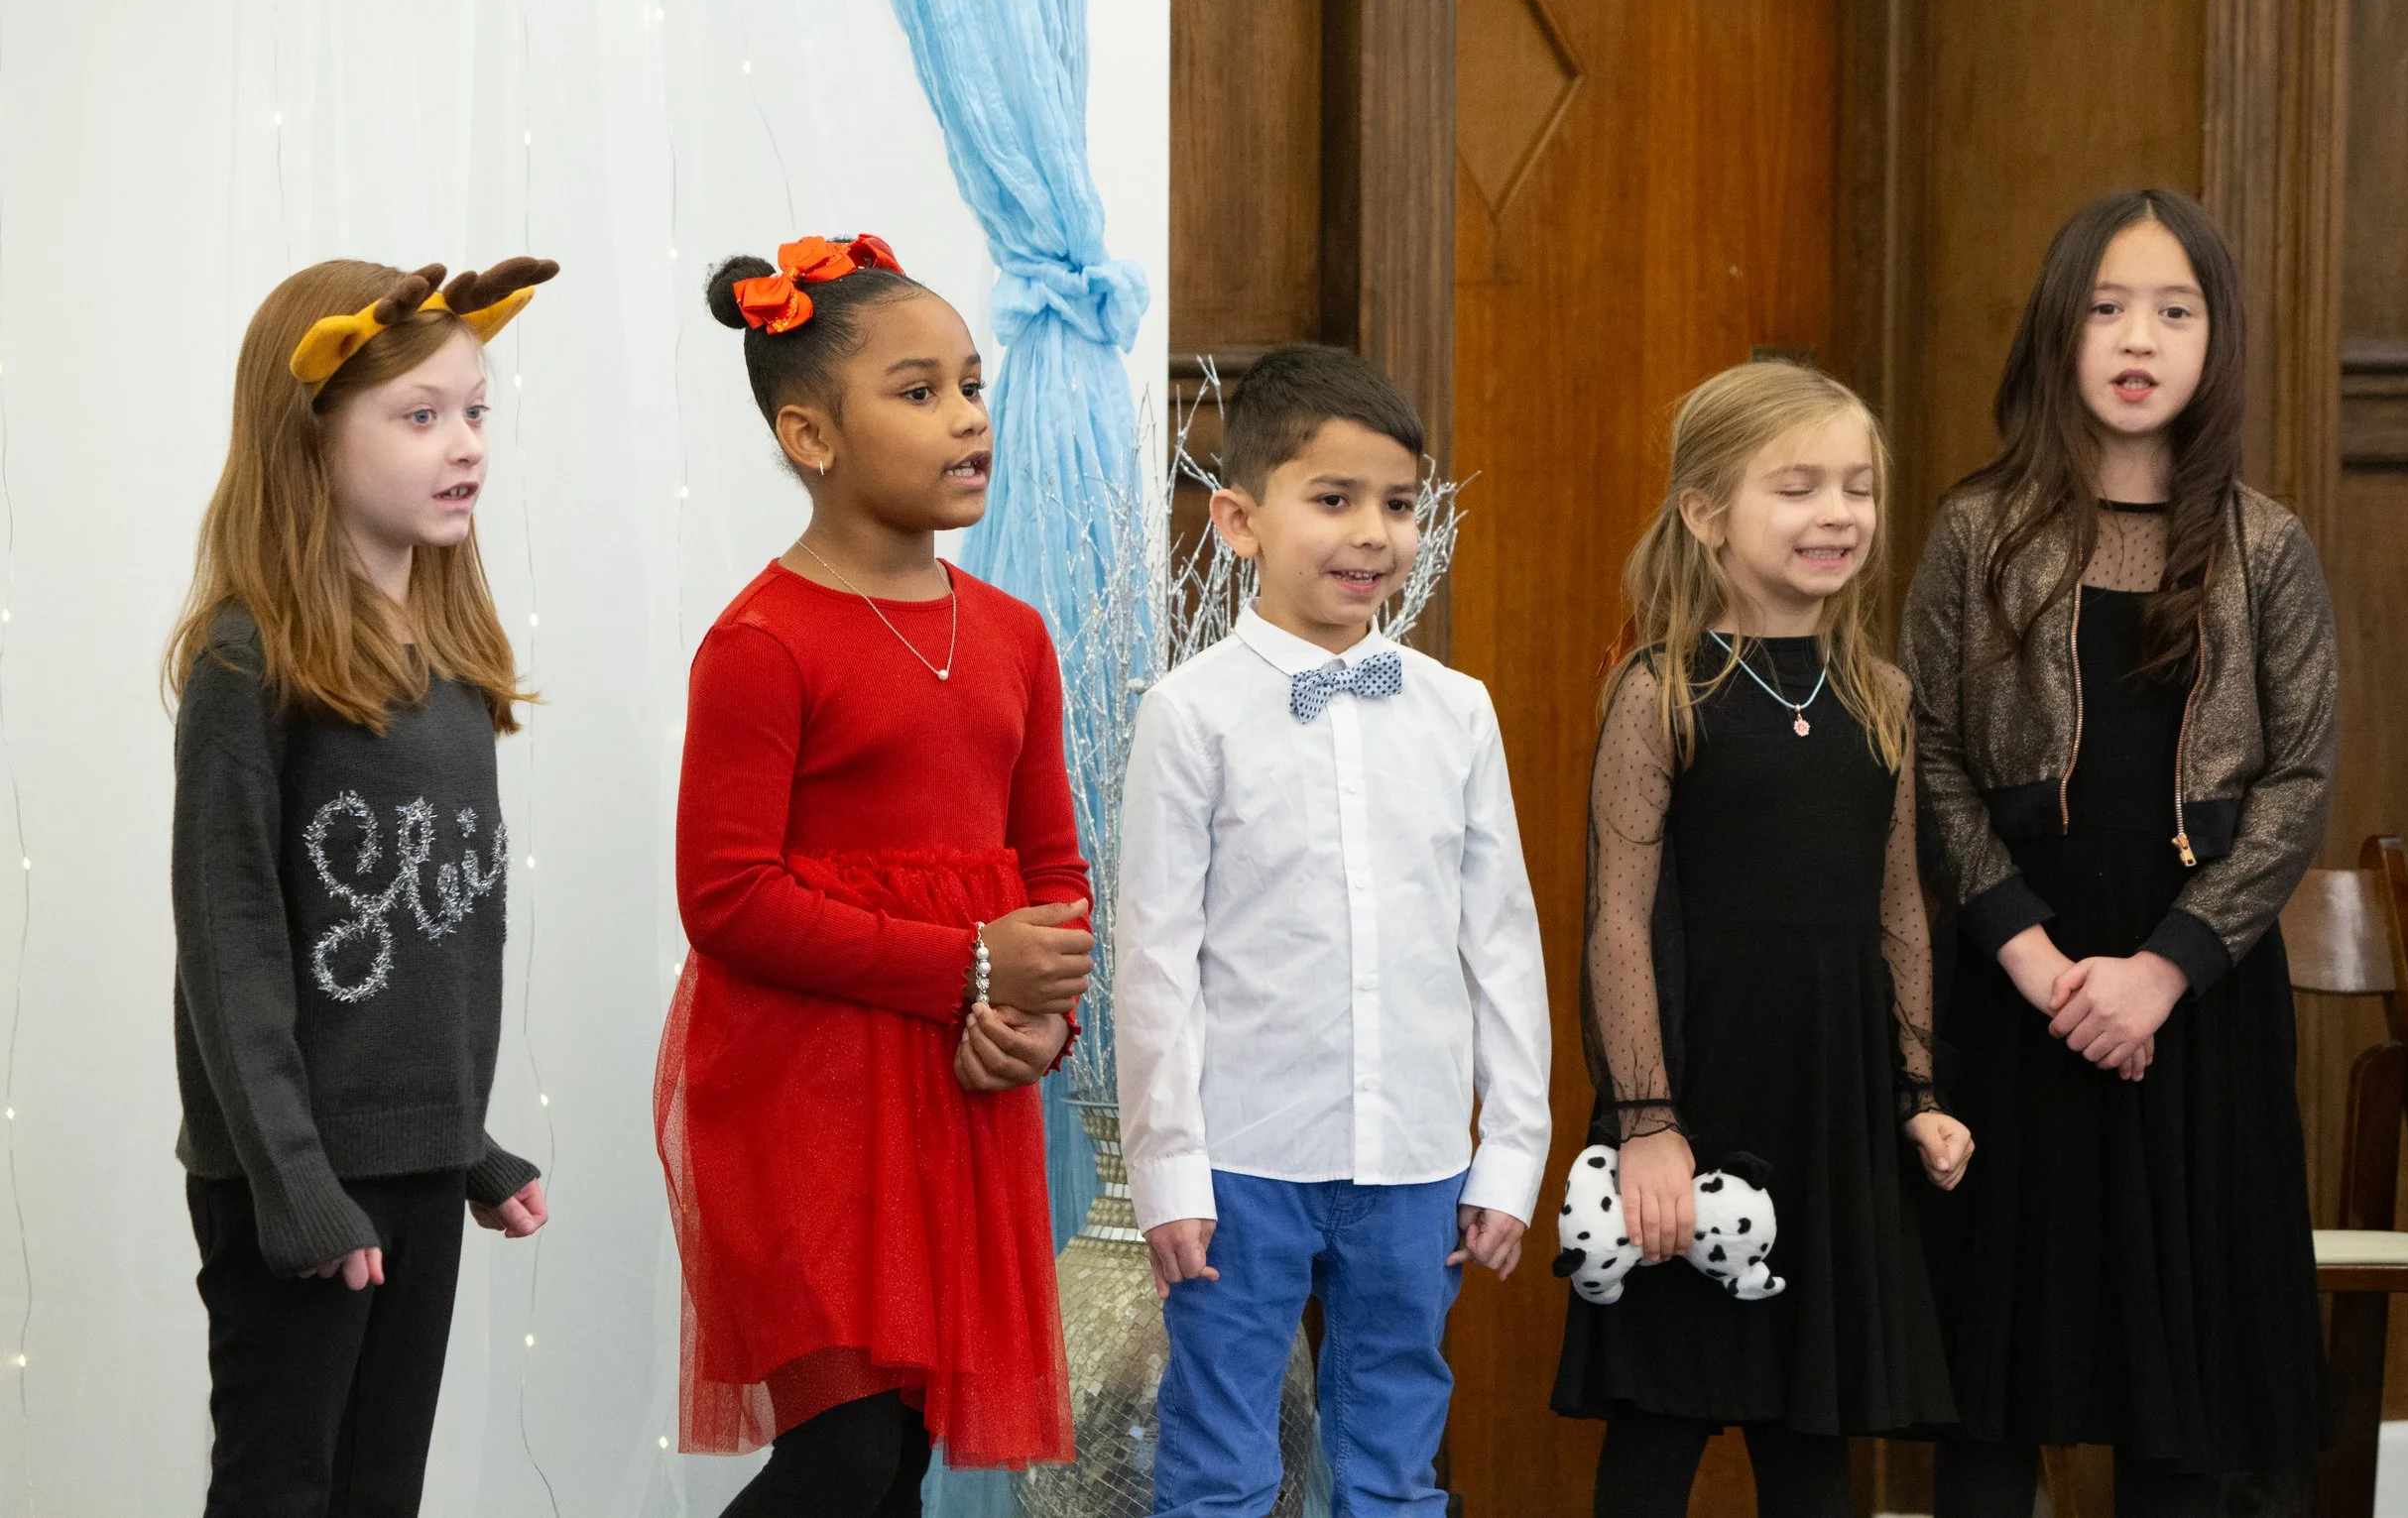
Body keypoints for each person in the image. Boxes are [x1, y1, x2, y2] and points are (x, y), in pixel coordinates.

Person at [1903, 188, 2335, 1516]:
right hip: (2016, 987)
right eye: (2104, 306)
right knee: (1995, 1383)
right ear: (2057, 329)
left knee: (2184, 1400)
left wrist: (2160, 972)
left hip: (2196, 1003)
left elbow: (2298, 779)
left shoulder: (2266, 546)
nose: (2136, 337)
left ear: (2217, 339)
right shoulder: (1978, 532)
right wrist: (2042, 968)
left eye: (2173, 309)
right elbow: (1933, 760)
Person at [659, 235, 1093, 1517]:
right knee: (842, 1453)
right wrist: (963, 963)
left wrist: (1040, 1017)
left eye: (970, 383)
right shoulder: (760, 641)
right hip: (807, 1098)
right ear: (809, 434)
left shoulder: (1013, 633)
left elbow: (1054, 875)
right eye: (918, 391)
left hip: (956, 1100)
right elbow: (726, 896)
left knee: (894, 1461)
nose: (966, 415)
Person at [1115, 341, 1554, 1518]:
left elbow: (1500, 942)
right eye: (1334, 499)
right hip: (1242, 1151)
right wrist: (1165, 1167)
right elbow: (1153, 954)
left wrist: (1510, 1150)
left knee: (1392, 1443)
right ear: (1240, 521)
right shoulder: (1190, 710)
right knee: (1219, 1450)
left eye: (1399, 504)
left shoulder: (1457, 712)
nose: (1374, 532)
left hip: (1414, 1154)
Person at [167, 255, 558, 1516]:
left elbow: (431, 933)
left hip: (411, 1168)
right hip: (293, 1181)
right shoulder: (251, 660)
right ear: (313, 429)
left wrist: (467, 1145)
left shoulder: (450, 659)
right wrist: (296, 1186)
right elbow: (233, 949)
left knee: (381, 1488)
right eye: (420, 414)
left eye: (475, 410)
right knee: (285, 1487)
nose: (465, 446)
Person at [1550, 361, 1969, 1518]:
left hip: (1831, 1112)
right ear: (1704, 509)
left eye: (1857, 487)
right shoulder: (1661, 691)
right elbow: (1618, 920)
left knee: (1811, 1440)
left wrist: (1917, 1089)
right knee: (1658, 1424)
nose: (1837, 513)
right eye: (1796, 487)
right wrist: (1647, 1122)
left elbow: (1898, 912)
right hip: (1694, 1103)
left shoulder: (1880, 693)